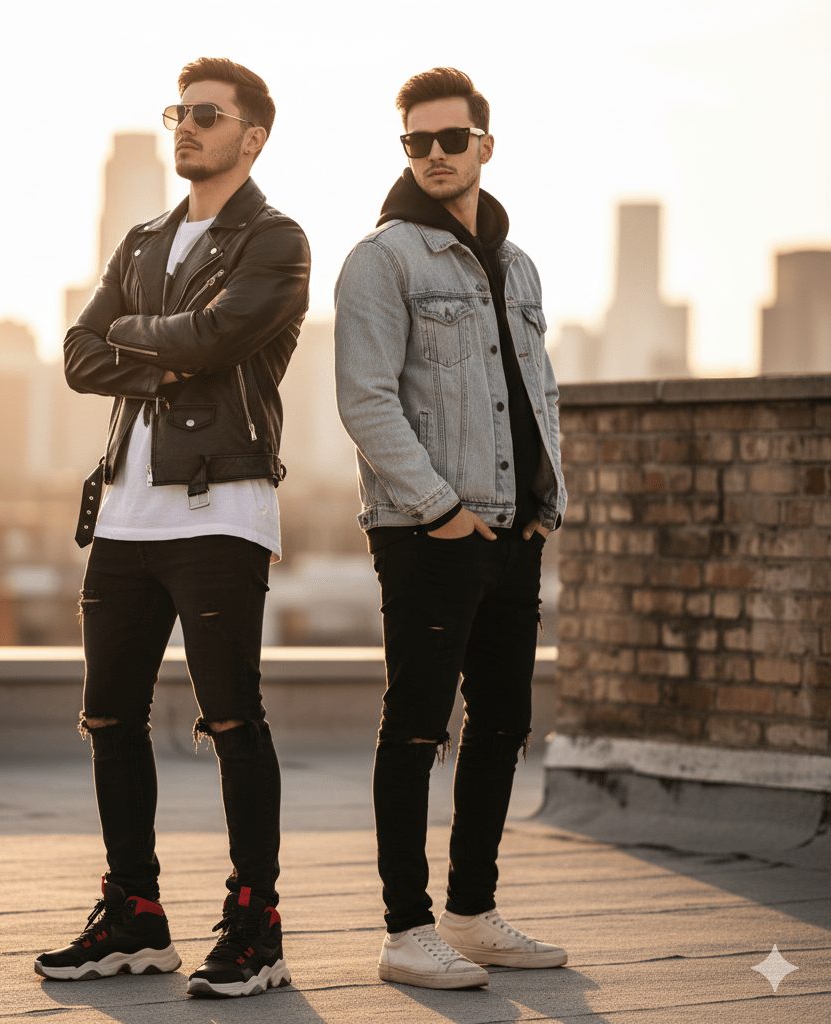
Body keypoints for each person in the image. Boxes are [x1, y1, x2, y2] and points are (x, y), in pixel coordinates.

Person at [36, 57, 310, 999]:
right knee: (109, 714)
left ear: (253, 135)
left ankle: (255, 923)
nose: (186, 128)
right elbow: (78, 354)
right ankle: (135, 914)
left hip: (221, 507)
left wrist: (142, 340)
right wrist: (162, 360)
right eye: (179, 113)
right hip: (124, 512)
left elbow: (220, 338)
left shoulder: (277, 240)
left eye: (207, 115)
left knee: (233, 717)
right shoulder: (145, 239)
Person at [334, 67, 568, 990]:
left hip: (515, 532)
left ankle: (472, 913)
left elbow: (534, 388)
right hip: (429, 532)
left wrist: (549, 504)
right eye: (416, 142)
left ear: (484, 145)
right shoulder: (381, 259)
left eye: (449, 139)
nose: (433, 155)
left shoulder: (517, 265)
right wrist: (442, 511)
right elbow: (364, 401)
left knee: (504, 722)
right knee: (417, 728)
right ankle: (405, 930)